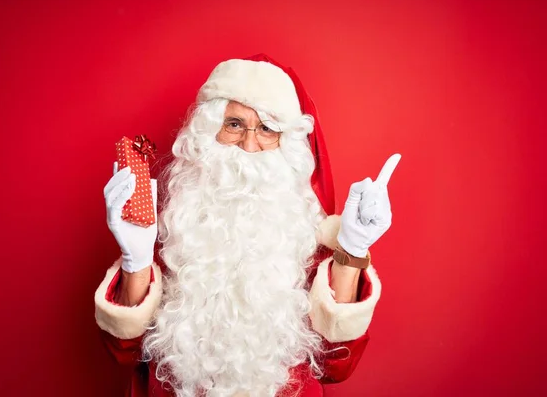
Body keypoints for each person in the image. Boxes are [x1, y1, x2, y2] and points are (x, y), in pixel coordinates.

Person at [95, 54, 400, 397]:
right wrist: (136, 259)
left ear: (288, 144)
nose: (249, 145)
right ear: (207, 133)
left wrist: (352, 251)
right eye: (235, 124)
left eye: (267, 129)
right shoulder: (175, 227)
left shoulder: (303, 234)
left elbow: (336, 366)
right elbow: (125, 353)